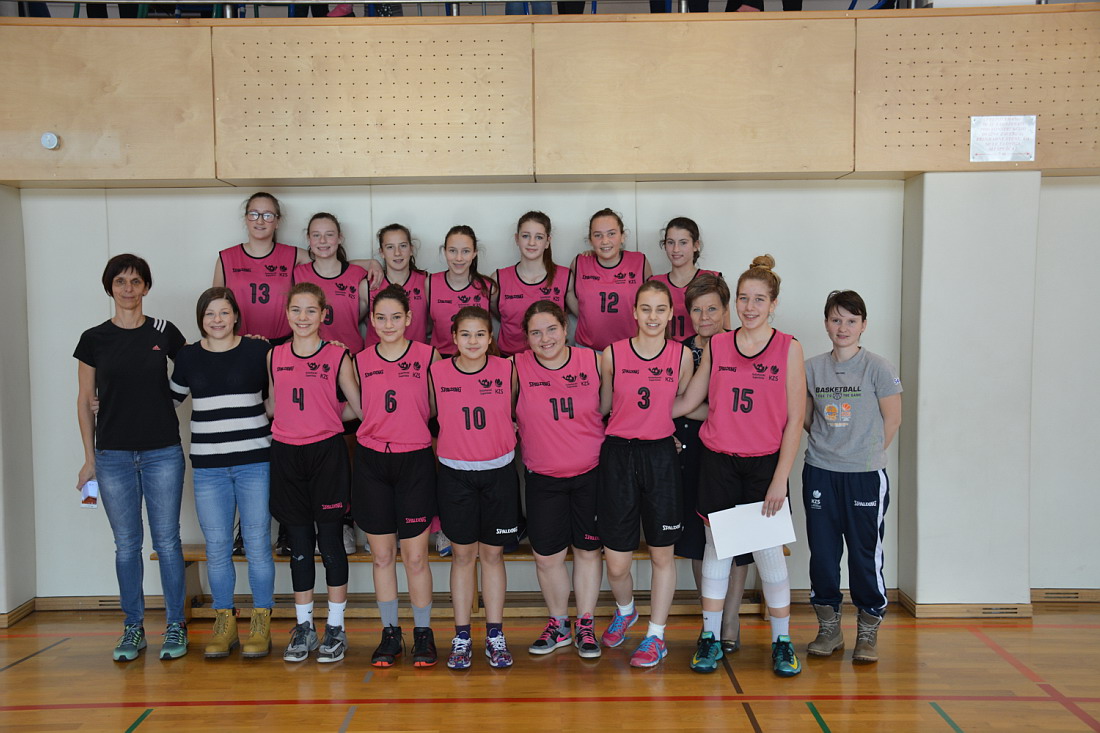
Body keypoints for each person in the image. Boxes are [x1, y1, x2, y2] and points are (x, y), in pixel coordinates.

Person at [674, 255, 806, 677]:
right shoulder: (718, 345)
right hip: (719, 463)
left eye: (759, 299)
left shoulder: (789, 348)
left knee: (768, 554)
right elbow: (689, 401)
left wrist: (780, 480)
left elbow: (795, 420)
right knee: (716, 551)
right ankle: (710, 636)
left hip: (765, 467)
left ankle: (782, 642)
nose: (750, 307)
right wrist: (638, 414)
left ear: (774, 304)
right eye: (745, 299)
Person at [74, 254, 188, 662]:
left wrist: (168, 399)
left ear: (146, 287)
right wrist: (89, 459)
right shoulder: (93, 338)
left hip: (163, 453)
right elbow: (85, 400)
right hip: (112, 456)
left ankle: (176, 624)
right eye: (120, 281)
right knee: (126, 545)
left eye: (135, 281)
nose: (128, 288)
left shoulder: (164, 331)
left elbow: (194, 368)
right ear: (110, 287)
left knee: (167, 542)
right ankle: (133, 627)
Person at [169, 287, 276, 659]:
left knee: (258, 544)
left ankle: (261, 623)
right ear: (201, 319)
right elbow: (166, 401)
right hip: (209, 468)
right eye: (209, 313)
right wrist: (113, 399)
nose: (217, 319)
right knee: (217, 548)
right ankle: (225, 623)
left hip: (255, 463)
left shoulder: (258, 351)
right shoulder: (188, 357)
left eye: (224, 312)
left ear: (236, 317)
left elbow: (278, 396)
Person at [597, 280, 694, 668]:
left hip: (660, 456)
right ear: (634, 312)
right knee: (616, 562)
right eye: (646, 308)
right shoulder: (612, 354)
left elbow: (682, 403)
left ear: (671, 314)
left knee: (661, 554)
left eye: (660, 309)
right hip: (618, 455)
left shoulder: (681, 356)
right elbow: (604, 405)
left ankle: (656, 635)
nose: (653, 316)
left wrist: (658, 426)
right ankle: (626, 610)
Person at [803, 290, 902, 664]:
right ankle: (829, 629)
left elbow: (893, 419)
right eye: (836, 319)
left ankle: (867, 629)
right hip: (820, 472)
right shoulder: (811, 368)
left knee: (864, 553)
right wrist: (830, 445)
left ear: (863, 325)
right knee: (823, 554)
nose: (842, 327)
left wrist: (864, 454)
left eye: (851, 320)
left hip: (864, 476)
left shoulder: (878, 367)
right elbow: (806, 417)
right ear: (826, 323)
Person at [267, 283, 362, 664]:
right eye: (296, 310)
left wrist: (326, 416)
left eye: (311, 310)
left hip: (326, 454)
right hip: (286, 453)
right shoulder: (274, 355)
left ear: (324, 314)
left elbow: (359, 407)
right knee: (300, 544)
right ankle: (304, 627)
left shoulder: (338, 355)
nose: (303, 317)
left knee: (331, 542)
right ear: (286, 313)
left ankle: (335, 627)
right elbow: (272, 406)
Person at [353, 285, 442, 667]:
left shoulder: (429, 356)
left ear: (408, 319)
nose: (388, 324)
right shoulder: (359, 360)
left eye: (395, 317)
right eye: (380, 317)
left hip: (415, 461)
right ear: (372, 321)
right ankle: (390, 633)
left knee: (416, 557)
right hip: (372, 462)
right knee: (382, 556)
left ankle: (423, 633)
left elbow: (437, 408)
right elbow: (354, 407)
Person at [429, 307, 521, 669]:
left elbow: (518, 411)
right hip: (456, 475)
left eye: (480, 334)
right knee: (463, 556)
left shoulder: (508, 369)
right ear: (453, 337)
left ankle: (495, 634)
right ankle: (462, 636)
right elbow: (430, 416)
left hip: (499, 473)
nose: (472, 341)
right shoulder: (437, 372)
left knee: (493, 556)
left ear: (490, 338)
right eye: (465, 334)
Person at [514, 301, 604, 658]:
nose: (545, 338)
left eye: (551, 329)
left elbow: (620, 404)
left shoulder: (595, 361)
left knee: (587, 551)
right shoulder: (515, 367)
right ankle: (559, 624)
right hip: (543, 478)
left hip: (591, 475)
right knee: (547, 557)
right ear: (526, 338)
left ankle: (586, 624)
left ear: (565, 328)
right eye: (535, 332)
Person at [674, 273, 750, 654]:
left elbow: (736, 408)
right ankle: (712, 620)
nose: (704, 317)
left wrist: (711, 414)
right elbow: (672, 404)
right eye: (696, 310)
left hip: (732, 453)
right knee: (697, 541)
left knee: (735, 541)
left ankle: (731, 619)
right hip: (688, 451)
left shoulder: (741, 346)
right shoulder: (677, 352)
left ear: (726, 310)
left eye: (712, 309)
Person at [568, 208, 652, 352]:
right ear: (590, 240)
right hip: (588, 349)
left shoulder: (640, 261)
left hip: (631, 348)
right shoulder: (580, 263)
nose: (605, 241)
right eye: (598, 235)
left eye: (611, 234)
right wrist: (588, 316)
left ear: (622, 236)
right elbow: (570, 295)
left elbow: (652, 302)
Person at [493, 211, 571, 357]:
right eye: (525, 236)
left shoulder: (565, 277)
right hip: (509, 358)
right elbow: (498, 315)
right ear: (517, 239)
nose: (532, 243)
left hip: (550, 359)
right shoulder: (499, 279)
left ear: (547, 241)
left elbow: (585, 313)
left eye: (539, 237)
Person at [293, 212, 371, 356]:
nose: (322, 241)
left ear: (339, 238)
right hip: (310, 357)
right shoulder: (297, 274)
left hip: (350, 354)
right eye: (316, 235)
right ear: (308, 239)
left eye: (329, 235)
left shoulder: (358, 274)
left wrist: (374, 263)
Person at [649, 217, 723, 342]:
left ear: (696, 245)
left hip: (703, 351)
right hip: (666, 352)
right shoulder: (654, 284)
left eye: (683, 243)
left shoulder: (713, 279)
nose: (676, 249)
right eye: (670, 242)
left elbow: (725, 331)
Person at [428, 225, 496, 357]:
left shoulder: (488, 287)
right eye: (452, 251)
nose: (459, 258)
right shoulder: (430, 283)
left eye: (465, 251)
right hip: (440, 358)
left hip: (477, 358)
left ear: (474, 253)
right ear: (445, 251)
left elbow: (498, 317)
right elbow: (428, 323)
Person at [370, 223, 429, 347]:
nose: (397, 253)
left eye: (403, 246)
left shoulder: (427, 281)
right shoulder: (370, 284)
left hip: (416, 356)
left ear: (411, 249)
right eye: (390, 247)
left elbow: (435, 322)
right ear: (381, 252)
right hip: (375, 356)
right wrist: (371, 262)